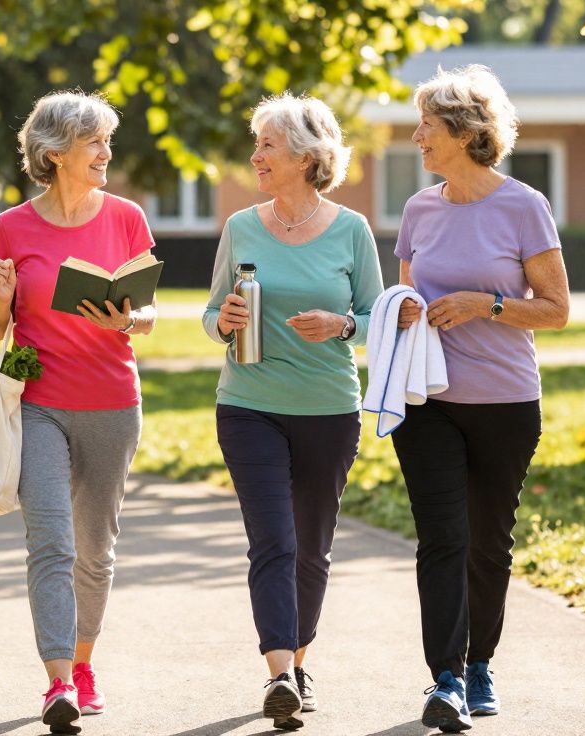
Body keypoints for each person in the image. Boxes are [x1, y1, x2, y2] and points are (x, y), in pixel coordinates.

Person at [393, 65, 569, 732]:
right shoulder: (419, 208)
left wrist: (487, 304)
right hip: (428, 400)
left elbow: (555, 310)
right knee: (443, 537)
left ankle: (480, 662)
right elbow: (409, 295)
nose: (417, 138)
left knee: (488, 541)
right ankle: (445, 678)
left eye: (428, 127)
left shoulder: (523, 205)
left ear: (466, 133)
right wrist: (404, 313)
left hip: (504, 402)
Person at [202, 93, 382, 731]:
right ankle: (279, 673)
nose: (256, 157)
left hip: (329, 409)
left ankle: (299, 662)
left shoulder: (352, 230)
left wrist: (340, 324)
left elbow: (375, 319)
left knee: (311, 548)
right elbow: (210, 313)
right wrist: (222, 321)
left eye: (267, 146)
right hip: (249, 403)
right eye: (257, 146)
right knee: (273, 541)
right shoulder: (241, 227)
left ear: (307, 157)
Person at [0, 91, 157, 732]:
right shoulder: (12, 228)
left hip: (112, 400)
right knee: (50, 543)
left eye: (108, 141)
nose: (107, 153)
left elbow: (149, 312)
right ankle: (59, 683)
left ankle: (84, 664)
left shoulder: (127, 218)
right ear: (54, 154)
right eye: (95, 143)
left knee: (95, 550)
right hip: (39, 404)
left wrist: (129, 317)